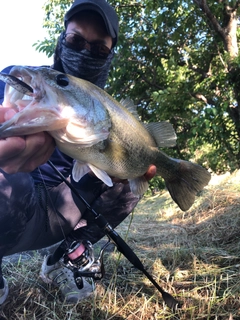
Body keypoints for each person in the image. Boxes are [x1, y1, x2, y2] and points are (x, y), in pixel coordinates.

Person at [0, 0, 156, 305]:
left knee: (132, 181)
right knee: (9, 185)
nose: (85, 52)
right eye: (75, 41)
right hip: (15, 204)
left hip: (64, 211)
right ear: (61, 41)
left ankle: (65, 257)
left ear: (110, 56)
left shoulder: (114, 112)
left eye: (98, 49)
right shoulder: (18, 80)